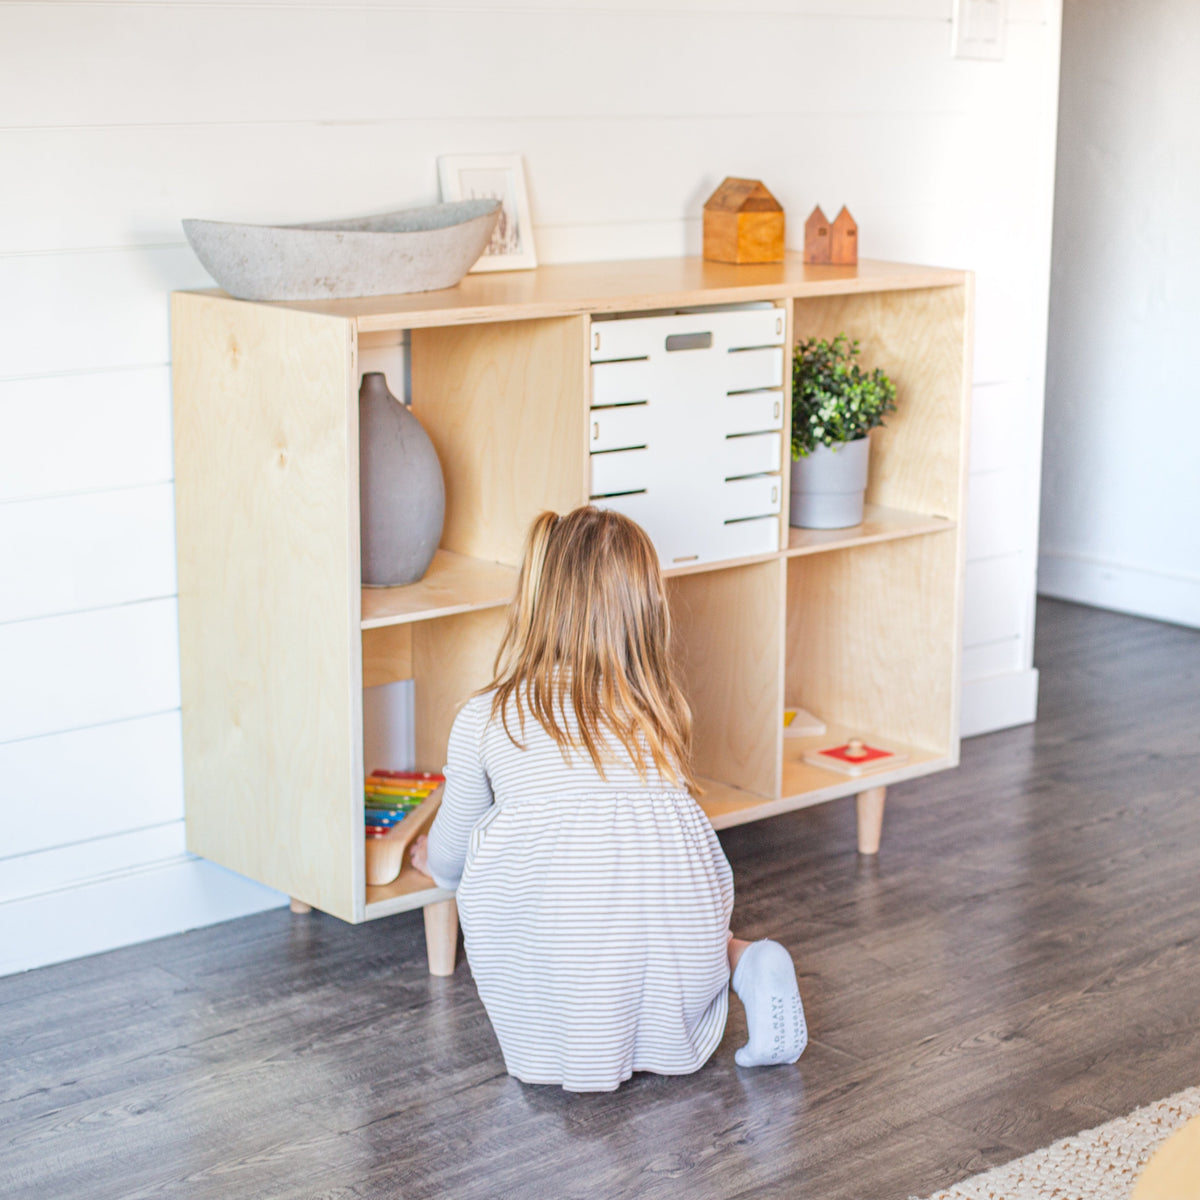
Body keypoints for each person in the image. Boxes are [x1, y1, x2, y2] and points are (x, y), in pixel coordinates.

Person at [410, 506, 806, 1092]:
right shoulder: (656, 713)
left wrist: (430, 857)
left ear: (536, 601)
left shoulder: (487, 717)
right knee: (654, 905)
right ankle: (747, 960)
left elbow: (450, 863)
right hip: (681, 946)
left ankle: (582, 1036)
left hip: (568, 963)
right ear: (643, 613)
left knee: (524, 881)